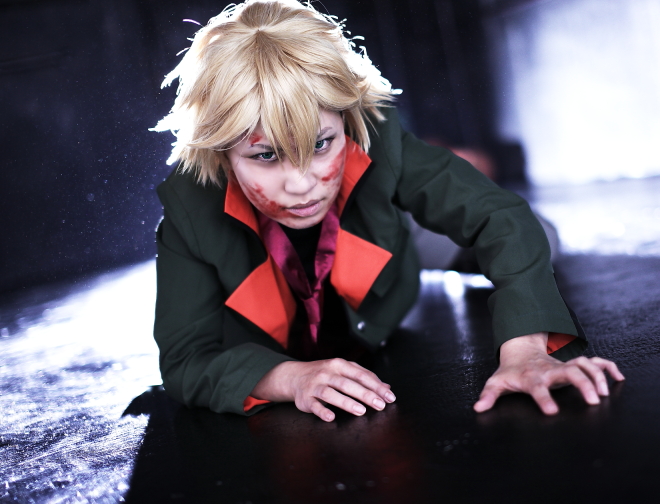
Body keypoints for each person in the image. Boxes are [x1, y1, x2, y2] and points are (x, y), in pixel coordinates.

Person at [152, 0, 624, 422]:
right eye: (266, 155)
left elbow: (499, 219)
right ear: (222, 153)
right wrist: (289, 378)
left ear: (345, 120)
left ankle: (429, 202)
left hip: (392, 238)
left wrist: (525, 351)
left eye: (320, 144)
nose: (300, 184)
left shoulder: (378, 140)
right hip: (345, 267)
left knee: (540, 238)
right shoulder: (189, 211)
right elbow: (186, 360)